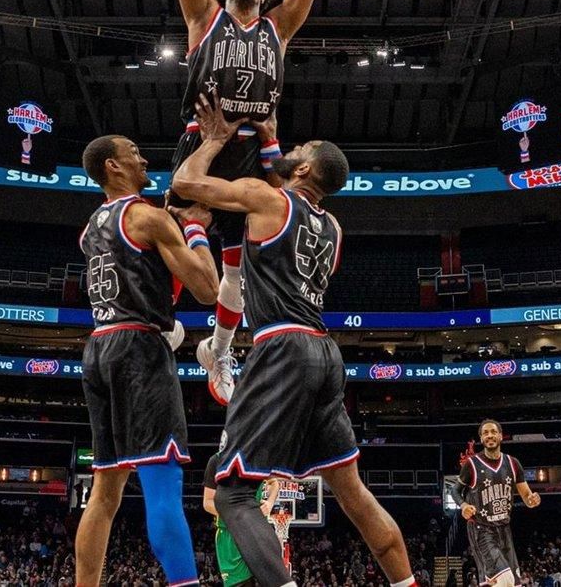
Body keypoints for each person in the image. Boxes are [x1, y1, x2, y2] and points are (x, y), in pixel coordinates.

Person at [172, 97, 417, 587]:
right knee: (353, 493)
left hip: (281, 345)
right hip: (325, 352)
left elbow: (185, 184)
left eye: (299, 148)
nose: (291, 149)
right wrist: (271, 137)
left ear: (304, 168)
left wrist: (217, 140)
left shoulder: (268, 201)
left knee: (232, 494)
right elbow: (285, 184)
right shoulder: (334, 227)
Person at [172, 0, 326, 405]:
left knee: (239, 268)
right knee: (190, 238)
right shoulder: (204, 18)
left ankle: (217, 349)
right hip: (203, 142)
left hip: (252, 156)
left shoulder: (277, 30)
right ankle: (165, 320)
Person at [74, 135, 221, 587]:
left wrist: (169, 220)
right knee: (163, 485)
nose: (142, 157)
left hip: (99, 348)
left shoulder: (91, 226)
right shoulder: (144, 218)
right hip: (138, 349)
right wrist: (193, 228)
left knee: (105, 493)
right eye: (133, 153)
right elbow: (208, 289)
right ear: (113, 167)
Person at [458, 420, 540, 587]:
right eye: (485, 433)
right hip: (481, 528)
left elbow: (527, 497)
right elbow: (454, 490)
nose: (490, 435)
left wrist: (532, 500)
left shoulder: (512, 463)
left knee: (513, 584)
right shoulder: (472, 464)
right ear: (481, 438)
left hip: (504, 529)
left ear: (501, 436)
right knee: (505, 581)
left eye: (493, 432)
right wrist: (463, 505)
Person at [204, 450, 283, 587]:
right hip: (230, 534)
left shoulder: (256, 456)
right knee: (240, 583)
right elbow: (208, 502)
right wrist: (235, 514)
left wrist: (270, 503)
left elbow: (273, 483)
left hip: (256, 530)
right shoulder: (216, 461)